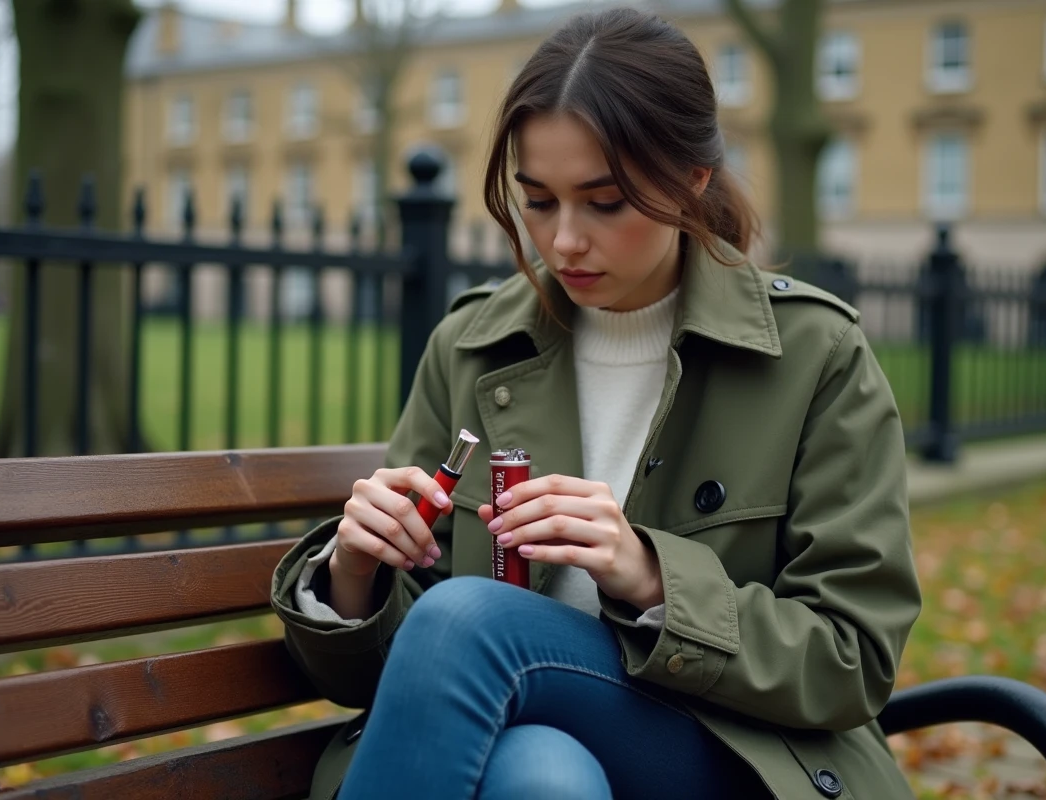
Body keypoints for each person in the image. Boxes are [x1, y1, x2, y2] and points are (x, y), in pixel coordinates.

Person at [271, 7, 921, 799]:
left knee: (465, 625)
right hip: (531, 747)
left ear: (694, 178)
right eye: (538, 201)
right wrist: (353, 576)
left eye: (604, 202)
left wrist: (651, 577)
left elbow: (854, 656)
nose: (564, 241)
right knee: (540, 777)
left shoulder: (816, 354)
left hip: (737, 756)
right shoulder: (473, 345)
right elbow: (408, 680)